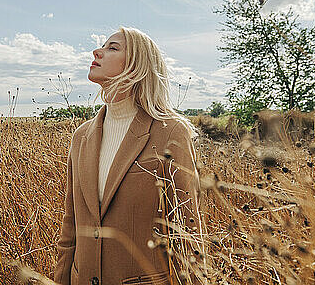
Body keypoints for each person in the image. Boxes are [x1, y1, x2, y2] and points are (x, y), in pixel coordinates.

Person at [54, 26, 206, 285]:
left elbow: (187, 230)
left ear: (137, 64)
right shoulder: (81, 137)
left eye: (112, 47)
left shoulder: (170, 132)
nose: (97, 52)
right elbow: (71, 227)